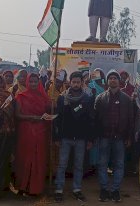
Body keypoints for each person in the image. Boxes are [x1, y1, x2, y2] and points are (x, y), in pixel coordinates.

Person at [54, 71, 95, 202]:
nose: (76, 84)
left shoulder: (87, 99)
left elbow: (90, 120)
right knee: (62, 165)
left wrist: (90, 139)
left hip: (81, 138)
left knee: (78, 165)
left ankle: (77, 189)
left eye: (78, 82)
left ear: (82, 83)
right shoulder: (62, 98)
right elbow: (57, 119)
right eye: (74, 82)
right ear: (70, 83)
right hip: (65, 138)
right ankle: (59, 189)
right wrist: (56, 137)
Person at [95, 70, 135, 202]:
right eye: (110, 78)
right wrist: (96, 136)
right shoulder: (100, 98)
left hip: (120, 137)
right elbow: (95, 120)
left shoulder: (127, 99)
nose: (113, 80)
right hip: (104, 137)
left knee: (119, 164)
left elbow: (130, 120)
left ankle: (116, 190)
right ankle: (104, 189)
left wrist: (129, 137)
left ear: (119, 81)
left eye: (115, 78)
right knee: (102, 164)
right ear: (107, 81)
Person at [14, 72, 51, 195]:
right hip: (26, 130)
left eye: (35, 81)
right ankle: (22, 186)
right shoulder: (21, 96)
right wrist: (31, 118)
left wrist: (50, 110)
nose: (33, 84)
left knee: (38, 157)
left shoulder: (43, 96)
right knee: (25, 157)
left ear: (39, 82)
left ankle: (35, 188)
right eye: (31, 81)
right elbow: (17, 115)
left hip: (41, 131)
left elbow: (48, 111)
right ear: (27, 82)